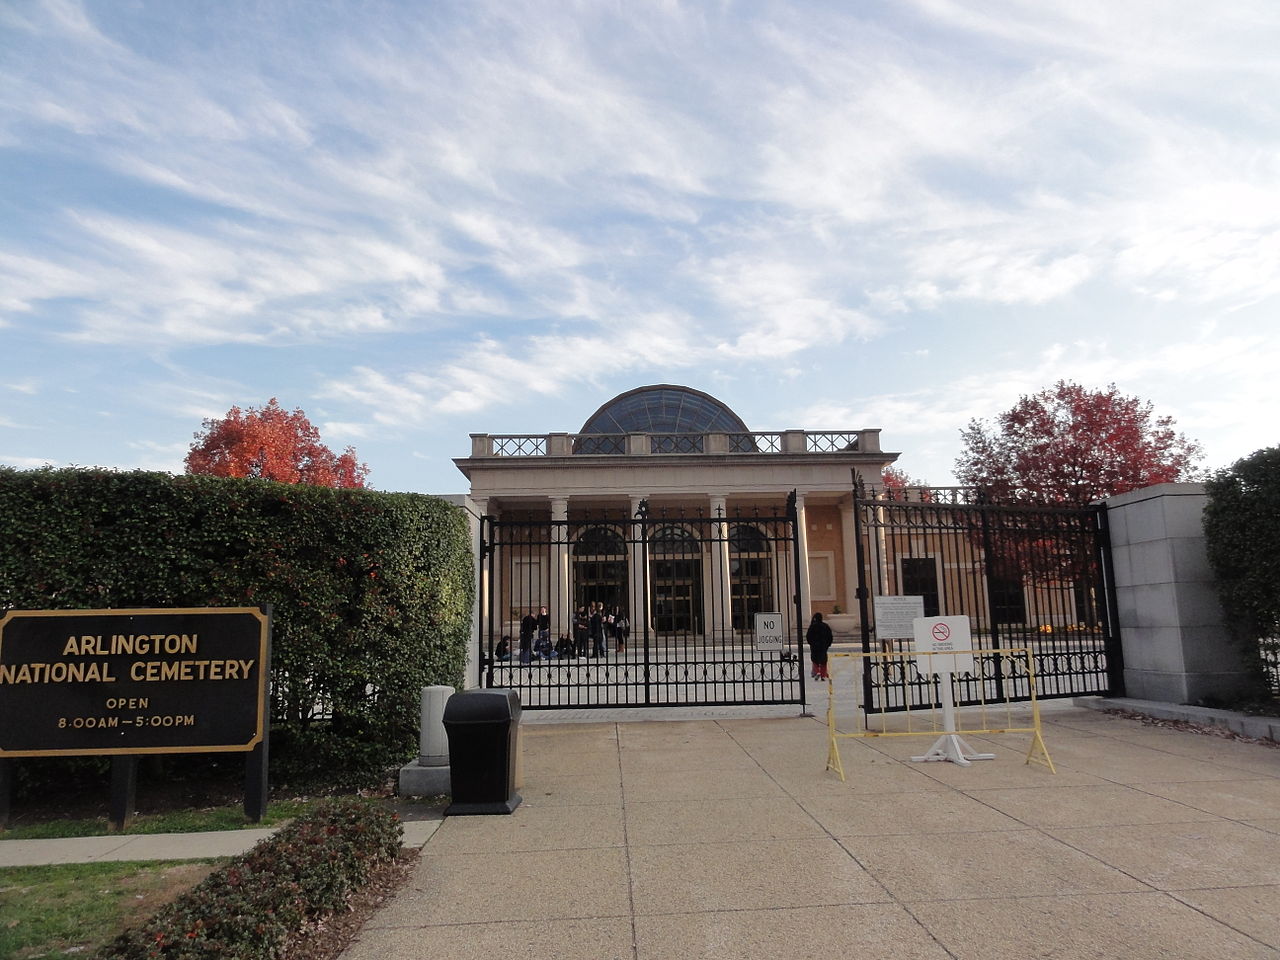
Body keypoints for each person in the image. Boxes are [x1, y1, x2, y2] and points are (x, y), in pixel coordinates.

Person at [807, 611, 833, 681]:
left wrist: (811, 643)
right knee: (823, 661)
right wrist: (828, 644)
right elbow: (830, 636)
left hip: (814, 646)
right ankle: (823, 674)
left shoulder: (812, 626)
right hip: (823, 646)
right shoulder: (825, 626)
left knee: (815, 660)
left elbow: (808, 636)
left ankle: (817, 671)